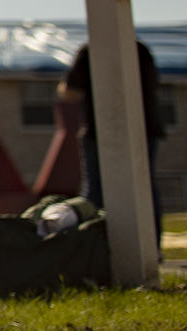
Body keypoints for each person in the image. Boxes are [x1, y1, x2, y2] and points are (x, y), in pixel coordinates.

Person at [61, 39, 165, 244]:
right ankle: (152, 244)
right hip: (144, 127)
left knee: (96, 189)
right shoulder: (141, 50)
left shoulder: (91, 50)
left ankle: (91, 244)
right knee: (143, 186)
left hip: (101, 129)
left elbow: (70, 92)